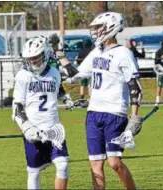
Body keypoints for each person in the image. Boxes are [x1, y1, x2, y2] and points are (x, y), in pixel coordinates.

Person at [60, 12, 143, 189]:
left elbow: (135, 86)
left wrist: (135, 117)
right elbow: (76, 75)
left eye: (99, 28)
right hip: (93, 113)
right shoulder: (96, 52)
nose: (96, 32)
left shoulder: (123, 53)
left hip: (115, 113)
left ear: (110, 28)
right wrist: (60, 55)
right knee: (96, 165)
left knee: (114, 163)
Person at [12, 37, 69, 190]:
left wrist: (66, 98)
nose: (33, 61)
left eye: (36, 57)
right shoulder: (23, 75)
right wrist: (27, 127)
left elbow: (58, 90)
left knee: (63, 165)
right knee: (34, 172)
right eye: (30, 58)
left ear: (45, 54)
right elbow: (17, 106)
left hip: (54, 128)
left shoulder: (55, 73)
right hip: (33, 128)